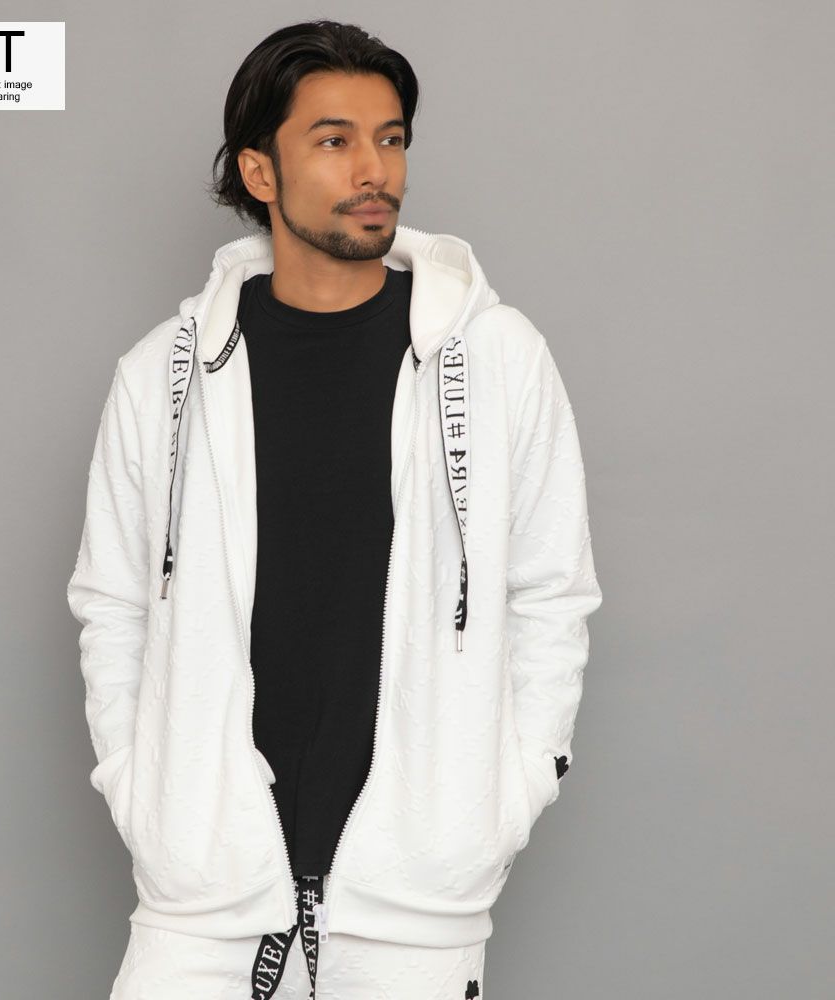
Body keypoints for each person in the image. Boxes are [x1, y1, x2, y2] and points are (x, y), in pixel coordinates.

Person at [66, 18, 603, 1000]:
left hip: (416, 904)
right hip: (200, 904)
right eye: (334, 139)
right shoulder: (161, 378)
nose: (374, 169)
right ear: (259, 171)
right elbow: (112, 602)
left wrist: (513, 787)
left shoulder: (496, 360)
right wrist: (145, 792)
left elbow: (550, 592)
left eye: (391, 138)